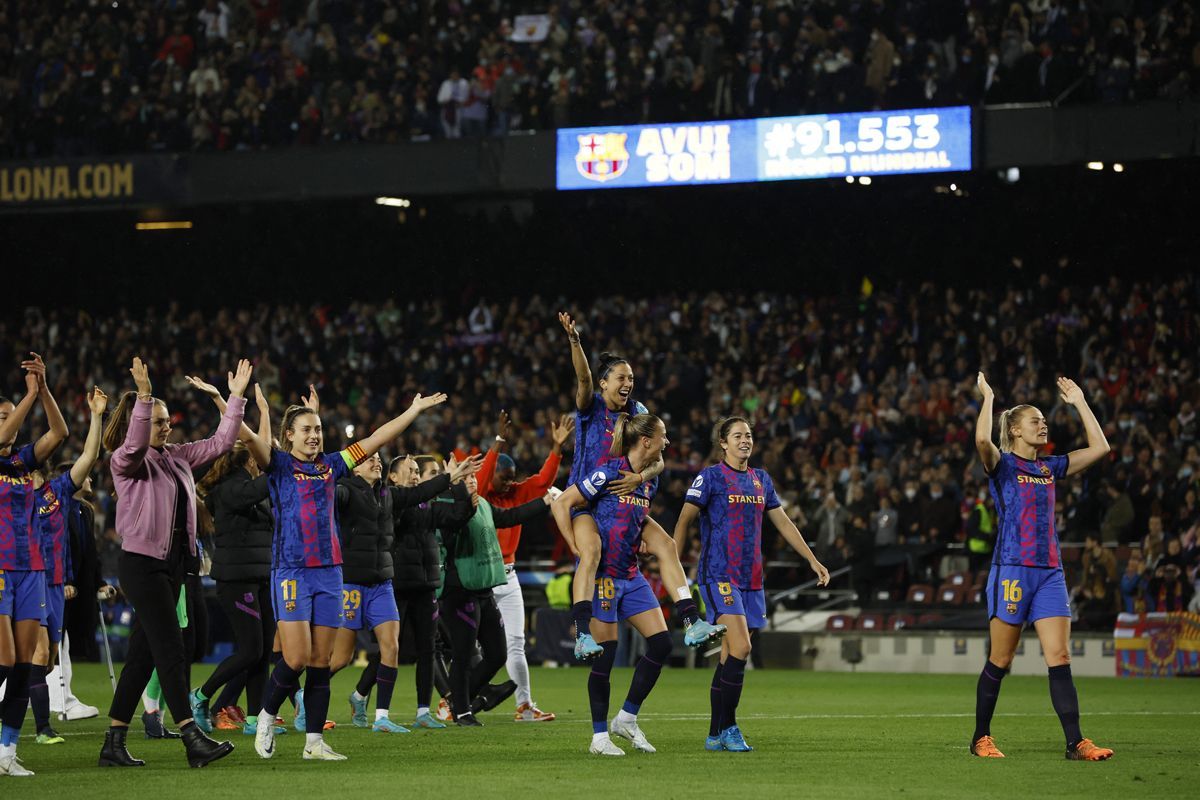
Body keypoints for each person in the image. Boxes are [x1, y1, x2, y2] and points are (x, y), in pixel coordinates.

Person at [246, 388, 448, 761]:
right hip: (291, 572)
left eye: (318, 429)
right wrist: (236, 402)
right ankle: (266, 715)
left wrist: (413, 410)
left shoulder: (333, 465)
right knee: (295, 659)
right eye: (306, 429)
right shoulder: (278, 465)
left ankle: (314, 744)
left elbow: (376, 439)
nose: (314, 435)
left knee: (321, 661)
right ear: (288, 434)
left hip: (331, 574)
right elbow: (249, 440)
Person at [98, 356, 252, 769]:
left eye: (167, 421)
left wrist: (235, 398)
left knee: (144, 655)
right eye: (158, 421)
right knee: (172, 649)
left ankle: (113, 741)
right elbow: (131, 447)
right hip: (142, 565)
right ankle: (191, 736)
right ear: (139, 423)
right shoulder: (125, 461)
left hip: (170, 567)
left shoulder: (177, 457)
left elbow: (220, 443)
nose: (167, 427)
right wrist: (144, 396)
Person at [558, 313, 723, 661]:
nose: (628, 383)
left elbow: (658, 457)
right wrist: (575, 341)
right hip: (588, 501)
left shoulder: (637, 412)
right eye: (621, 377)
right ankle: (583, 633)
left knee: (665, 545)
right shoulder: (591, 407)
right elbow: (583, 377)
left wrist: (640, 477)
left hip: (624, 497)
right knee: (590, 553)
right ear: (605, 383)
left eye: (631, 378)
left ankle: (692, 620)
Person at [971, 373, 1114, 761]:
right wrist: (989, 396)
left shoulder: (1051, 467)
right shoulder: (1001, 465)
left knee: (1061, 657)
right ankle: (981, 737)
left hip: (1050, 571)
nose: (1043, 424)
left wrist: (1081, 401)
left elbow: (1101, 447)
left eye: (1043, 419)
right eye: (1034, 420)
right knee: (1001, 660)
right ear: (1015, 430)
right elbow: (983, 440)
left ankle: (1075, 742)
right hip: (1012, 569)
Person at [674, 416, 830, 752]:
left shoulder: (761, 480)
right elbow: (684, 520)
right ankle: (730, 727)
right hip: (718, 575)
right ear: (723, 443)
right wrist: (675, 565)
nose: (745, 440)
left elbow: (783, 523)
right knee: (742, 648)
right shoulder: (710, 477)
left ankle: (715, 734)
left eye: (749, 435)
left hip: (752, 578)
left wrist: (811, 559)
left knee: (730, 655)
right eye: (737, 435)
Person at [551, 412, 677, 756]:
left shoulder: (647, 480)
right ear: (646, 441)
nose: (667, 441)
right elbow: (564, 502)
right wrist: (575, 546)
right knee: (606, 657)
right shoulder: (607, 472)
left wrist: (642, 542)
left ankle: (627, 718)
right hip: (605, 577)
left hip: (632, 575)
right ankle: (598, 736)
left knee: (663, 644)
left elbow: (632, 520)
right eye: (663, 436)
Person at [332, 450, 480, 733]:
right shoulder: (374, 497)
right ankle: (320, 695)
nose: (415, 475)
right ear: (394, 476)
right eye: (411, 470)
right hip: (378, 583)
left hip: (407, 584)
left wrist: (458, 485)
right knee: (343, 657)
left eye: (417, 470)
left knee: (406, 649)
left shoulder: (402, 501)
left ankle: (399, 714)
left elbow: (454, 514)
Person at [476, 409, 572, 722]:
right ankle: (457, 699)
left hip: (510, 577)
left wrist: (557, 448)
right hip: (481, 581)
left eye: (512, 478)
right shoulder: (479, 496)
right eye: (504, 479)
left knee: (516, 644)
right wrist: (499, 442)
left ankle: (524, 705)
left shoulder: (516, 492)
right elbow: (480, 479)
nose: (510, 484)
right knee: (475, 648)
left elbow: (544, 480)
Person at [0, 353, 69, 777]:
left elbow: (59, 431)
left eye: (11, 416)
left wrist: (42, 391)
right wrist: (26, 396)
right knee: (4, 660)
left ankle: (6, 752)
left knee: (27, 666)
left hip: (33, 569)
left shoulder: (24, 461)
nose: (11, 422)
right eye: (4, 416)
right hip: (0, 568)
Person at [28, 387, 108, 745]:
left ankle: (17, 710)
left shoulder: (56, 492)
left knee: (46, 662)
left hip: (57, 584)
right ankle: (42, 728)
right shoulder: (9, 492)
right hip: (26, 581)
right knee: (39, 653)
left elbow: (89, 456)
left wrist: (96, 417)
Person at [438, 472, 550, 726]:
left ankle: (458, 700)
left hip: (485, 588)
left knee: (498, 653)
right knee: (463, 654)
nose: (472, 481)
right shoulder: (449, 512)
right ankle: (464, 712)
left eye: (473, 478)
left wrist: (544, 503)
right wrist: (464, 505)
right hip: (461, 589)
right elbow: (450, 532)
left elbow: (510, 517)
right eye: (465, 478)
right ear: (455, 485)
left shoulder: (485, 506)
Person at [189, 439, 277, 736]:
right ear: (248, 462)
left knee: (262, 652)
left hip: (260, 577)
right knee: (251, 649)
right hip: (237, 580)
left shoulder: (246, 488)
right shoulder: (229, 489)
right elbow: (254, 491)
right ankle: (201, 695)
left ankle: (254, 720)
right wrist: (281, 467)